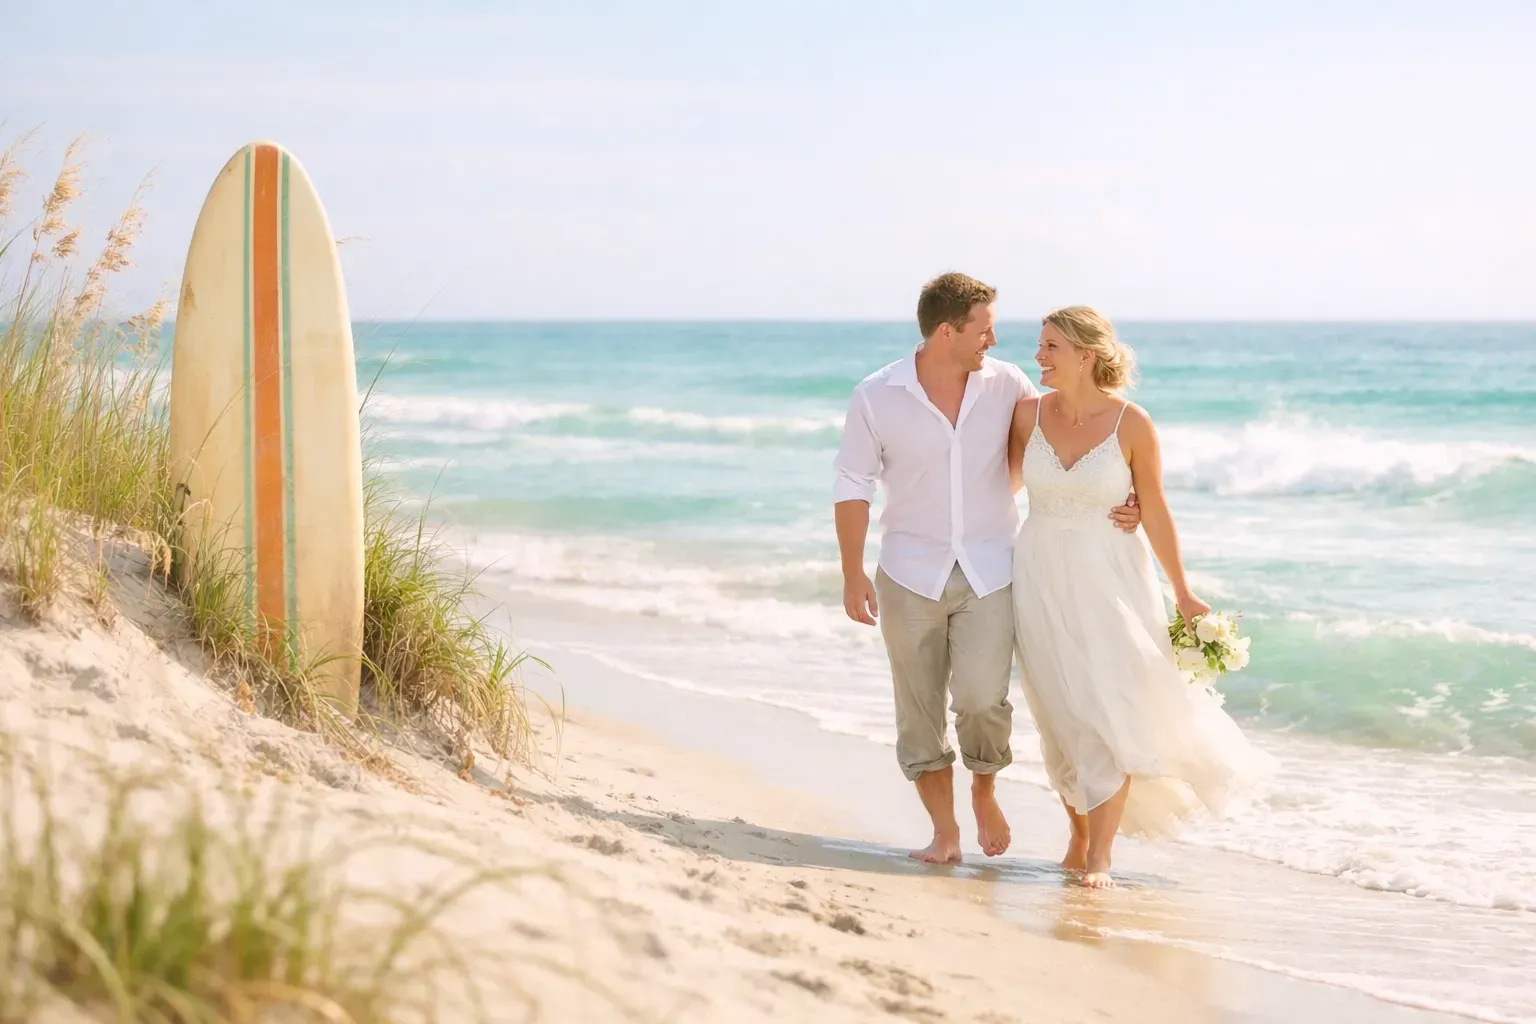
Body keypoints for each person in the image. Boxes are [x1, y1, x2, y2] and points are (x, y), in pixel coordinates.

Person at [832, 275, 1141, 864]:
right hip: (907, 568)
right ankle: (944, 834)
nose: (995, 340)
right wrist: (852, 572)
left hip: (991, 567)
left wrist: (1128, 498)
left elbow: (1068, 438)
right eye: (984, 328)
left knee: (982, 700)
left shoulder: (1008, 386)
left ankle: (984, 788)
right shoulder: (877, 395)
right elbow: (853, 482)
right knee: (918, 708)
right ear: (948, 331)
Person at [1008, 305, 1274, 888]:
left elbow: (1153, 507)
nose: (1040, 357)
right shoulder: (1026, 415)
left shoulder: (1132, 423)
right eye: (1040, 345)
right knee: (1058, 712)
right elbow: (1000, 489)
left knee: (1109, 703)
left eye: (1051, 346)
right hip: (1038, 575)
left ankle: (1100, 857)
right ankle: (1077, 841)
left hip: (1112, 579)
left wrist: (1183, 590)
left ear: (1086, 354)